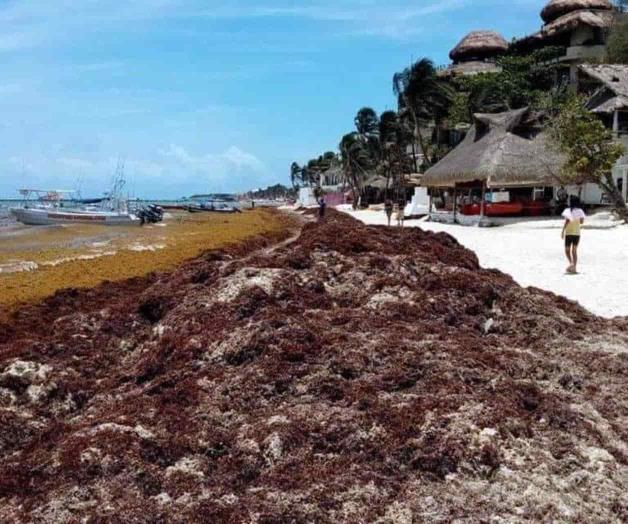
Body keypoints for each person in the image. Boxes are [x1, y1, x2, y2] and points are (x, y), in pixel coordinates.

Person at [561, 196, 586, 274]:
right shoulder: (580, 211)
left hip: (569, 233)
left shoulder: (567, 210)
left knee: (567, 250)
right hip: (577, 233)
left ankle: (571, 263)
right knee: (574, 251)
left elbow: (567, 221)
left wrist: (562, 230)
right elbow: (582, 222)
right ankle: (574, 267)